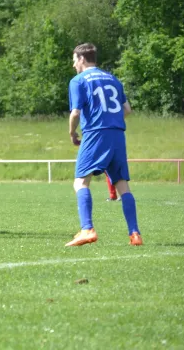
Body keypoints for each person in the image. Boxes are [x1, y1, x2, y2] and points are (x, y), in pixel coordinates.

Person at [66, 43, 142, 246]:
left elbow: (75, 113)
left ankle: (87, 229)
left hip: (95, 134)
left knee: (80, 182)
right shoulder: (113, 79)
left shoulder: (78, 81)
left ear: (82, 59)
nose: (73, 65)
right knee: (122, 185)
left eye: (74, 60)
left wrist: (72, 133)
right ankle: (135, 234)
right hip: (117, 135)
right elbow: (127, 109)